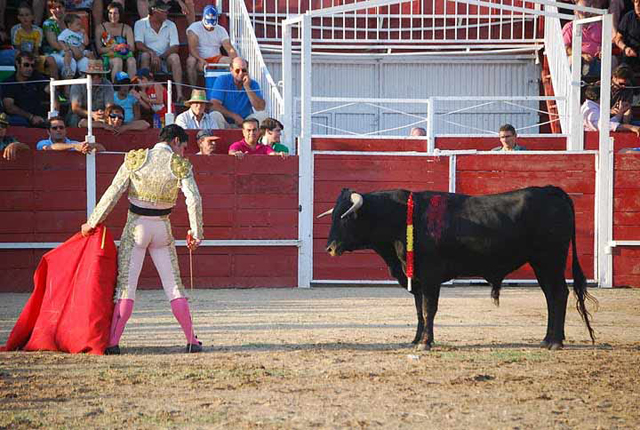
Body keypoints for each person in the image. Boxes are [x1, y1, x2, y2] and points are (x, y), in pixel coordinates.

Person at [80, 124, 204, 355]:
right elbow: (194, 199)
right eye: (183, 147)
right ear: (176, 141)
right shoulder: (179, 165)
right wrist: (196, 233)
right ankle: (191, 341)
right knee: (174, 286)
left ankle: (113, 343)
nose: (183, 153)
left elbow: (113, 192)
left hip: (136, 227)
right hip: (162, 230)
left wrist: (92, 221)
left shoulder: (136, 159)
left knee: (127, 287)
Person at [134, 0, 184, 102]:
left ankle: (180, 95)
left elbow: (175, 47)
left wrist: (160, 57)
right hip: (149, 58)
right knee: (145, 56)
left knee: (175, 57)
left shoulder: (171, 25)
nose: (167, 13)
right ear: (154, 11)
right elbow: (138, 44)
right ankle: (144, 93)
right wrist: (152, 54)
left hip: (165, 59)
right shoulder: (140, 24)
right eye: (164, 11)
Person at [185, 5, 237, 90]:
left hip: (215, 58)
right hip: (199, 58)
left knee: (231, 62)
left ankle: (230, 90)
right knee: (190, 61)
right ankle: (193, 90)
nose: (210, 27)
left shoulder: (221, 30)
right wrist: (200, 59)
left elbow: (229, 48)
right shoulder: (194, 28)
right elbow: (192, 49)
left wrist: (236, 60)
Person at [209, 57, 267, 127]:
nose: (241, 73)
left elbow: (260, 107)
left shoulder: (253, 84)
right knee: (214, 115)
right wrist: (233, 116)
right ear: (231, 70)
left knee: (262, 115)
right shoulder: (222, 80)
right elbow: (214, 105)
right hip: (226, 122)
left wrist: (247, 87)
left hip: (245, 122)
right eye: (237, 70)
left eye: (244, 70)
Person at [2, 51, 50, 127]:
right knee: (19, 121)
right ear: (18, 64)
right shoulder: (9, 83)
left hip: (40, 118)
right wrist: (31, 117)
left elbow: (52, 90)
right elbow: (9, 107)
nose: (30, 68)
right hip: (20, 119)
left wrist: (54, 115)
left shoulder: (37, 77)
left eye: (32, 66)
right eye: (26, 65)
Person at [10, 2, 57, 77]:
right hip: (20, 55)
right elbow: (17, 49)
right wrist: (25, 58)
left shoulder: (38, 31)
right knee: (19, 57)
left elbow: (36, 50)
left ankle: (55, 86)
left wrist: (34, 57)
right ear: (18, 17)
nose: (24, 18)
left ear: (32, 17)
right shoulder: (15, 29)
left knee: (51, 59)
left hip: (32, 54)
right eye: (21, 15)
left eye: (27, 15)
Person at [96, 1, 136, 82]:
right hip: (108, 56)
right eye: (110, 13)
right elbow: (99, 50)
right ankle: (116, 88)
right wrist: (113, 48)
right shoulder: (100, 28)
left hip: (124, 54)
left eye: (115, 13)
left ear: (120, 14)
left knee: (132, 61)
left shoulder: (127, 28)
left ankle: (131, 88)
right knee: (117, 61)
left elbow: (132, 48)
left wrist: (122, 47)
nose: (112, 16)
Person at [562, 0, 603, 79]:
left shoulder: (598, 27)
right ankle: (575, 86)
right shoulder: (569, 27)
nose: (584, 12)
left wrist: (602, 52)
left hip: (597, 59)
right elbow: (565, 49)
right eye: (581, 9)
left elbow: (605, 44)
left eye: (587, 9)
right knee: (573, 59)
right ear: (575, 11)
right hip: (579, 60)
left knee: (613, 59)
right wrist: (582, 55)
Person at [68, 59, 115, 128]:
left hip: (101, 116)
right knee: (75, 119)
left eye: (99, 75)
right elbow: (75, 108)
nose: (96, 77)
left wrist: (103, 114)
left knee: (114, 119)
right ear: (87, 74)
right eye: (93, 75)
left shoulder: (107, 84)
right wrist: (92, 114)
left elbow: (109, 106)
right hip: (80, 117)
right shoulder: (77, 84)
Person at [36, 116, 105, 152]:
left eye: (61, 127)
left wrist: (89, 145)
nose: (58, 130)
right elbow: (51, 147)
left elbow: (102, 149)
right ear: (48, 132)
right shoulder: (42, 143)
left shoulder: (75, 144)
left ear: (65, 130)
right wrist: (74, 146)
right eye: (54, 128)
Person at [58, 13, 93, 79]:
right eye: (78, 24)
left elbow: (86, 43)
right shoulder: (66, 32)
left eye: (80, 24)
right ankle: (67, 67)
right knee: (68, 54)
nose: (80, 26)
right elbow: (60, 40)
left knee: (89, 53)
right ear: (69, 25)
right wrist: (65, 47)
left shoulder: (80, 33)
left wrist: (85, 33)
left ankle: (91, 70)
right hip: (69, 51)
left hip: (80, 51)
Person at [614, 0, 640, 71]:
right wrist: (625, 48)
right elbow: (617, 39)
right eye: (636, 2)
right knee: (622, 72)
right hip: (630, 55)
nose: (637, 5)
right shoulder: (628, 17)